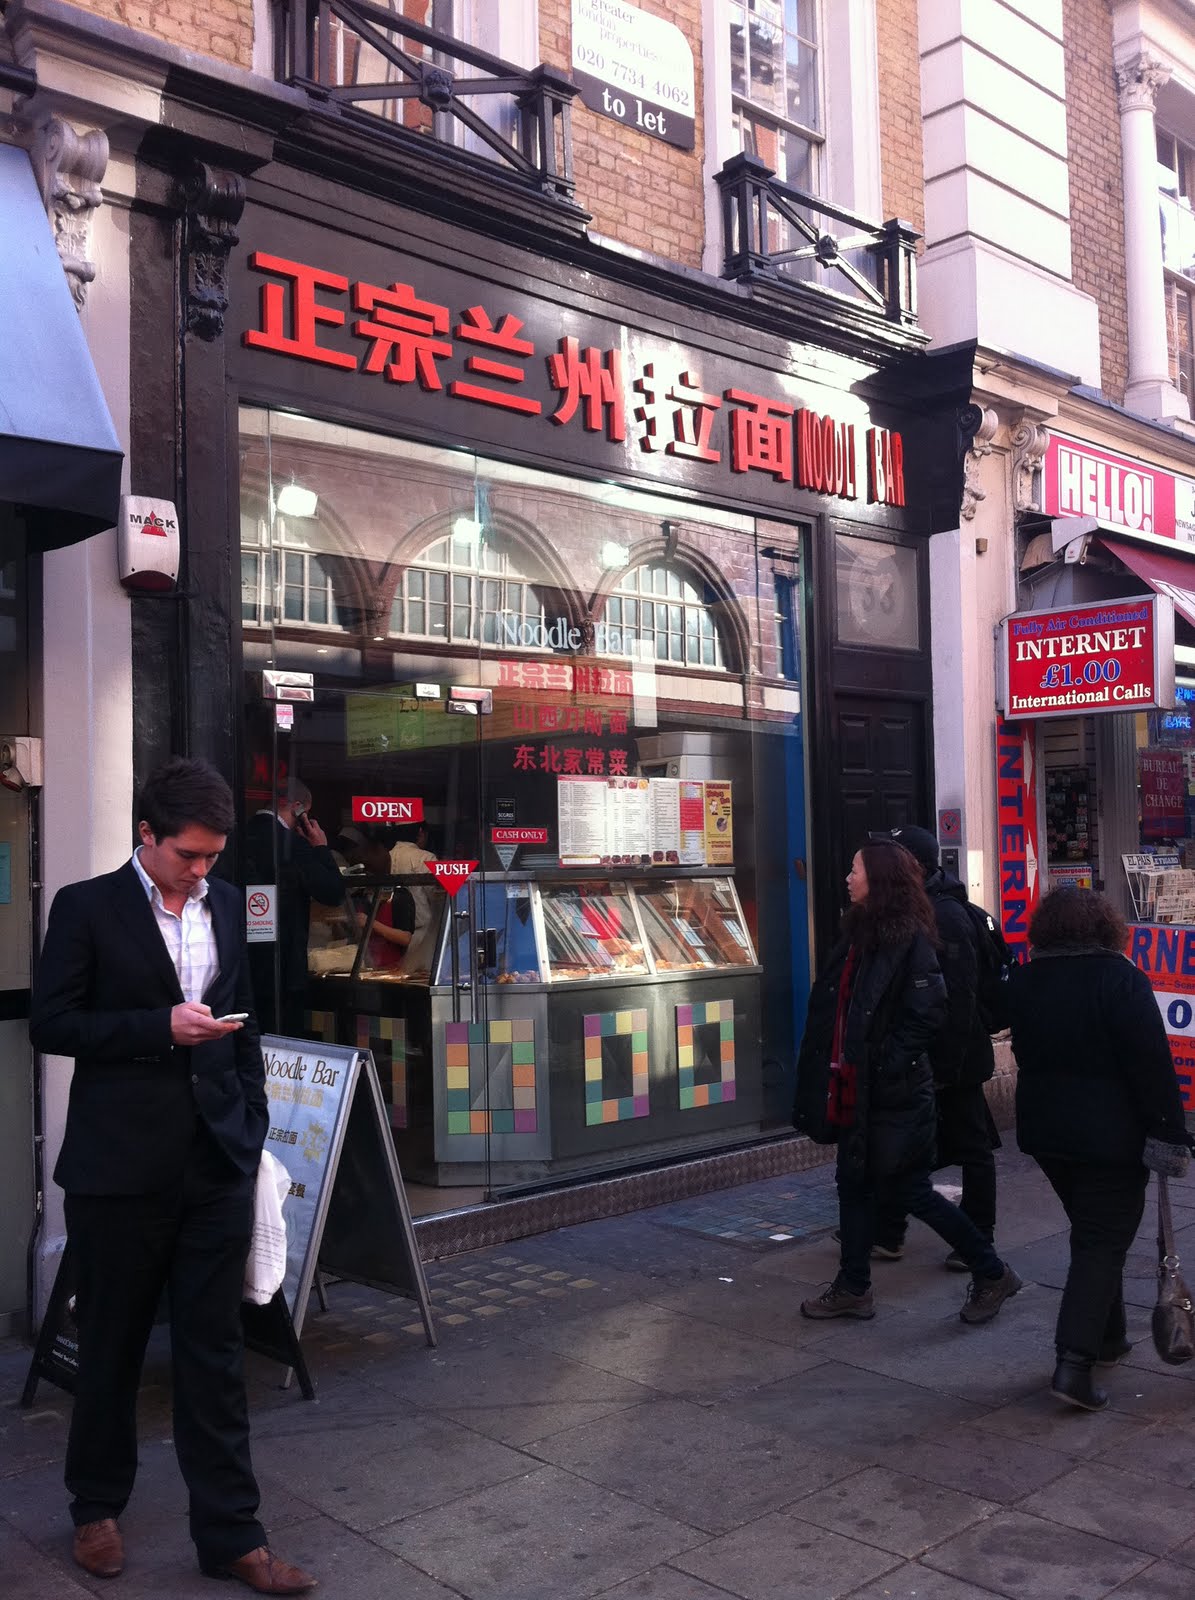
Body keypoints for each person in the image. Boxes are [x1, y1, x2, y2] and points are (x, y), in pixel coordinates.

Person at [29, 758, 316, 1593]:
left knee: (215, 1353)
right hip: (120, 1166)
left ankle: (233, 1534)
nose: (202, 871)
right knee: (112, 1344)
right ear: (145, 835)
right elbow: (53, 1023)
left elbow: (246, 1016)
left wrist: (251, 1116)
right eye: (188, 855)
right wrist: (160, 1026)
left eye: (212, 857)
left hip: (216, 1160)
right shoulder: (85, 907)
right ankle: (95, 1510)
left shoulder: (225, 902)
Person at [795, 839, 1021, 1325]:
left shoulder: (910, 938)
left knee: (908, 1191)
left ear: (878, 879)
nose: (848, 877)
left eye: (855, 869)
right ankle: (853, 1286)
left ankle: (991, 1271)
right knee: (853, 1185)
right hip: (857, 1087)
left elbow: (929, 1010)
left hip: (891, 1093)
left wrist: (886, 1065)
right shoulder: (858, 933)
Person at [1008, 886, 1192, 1411]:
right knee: (1101, 1242)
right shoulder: (1120, 979)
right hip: (1110, 1137)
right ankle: (1074, 1364)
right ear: (1106, 927)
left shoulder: (1026, 979)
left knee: (1094, 1234)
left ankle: (1109, 1337)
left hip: (1048, 1135)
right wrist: (1170, 1134)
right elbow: (1152, 1064)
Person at [872, 825, 1000, 1268]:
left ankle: (978, 1236)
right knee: (909, 1145)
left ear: (916, 866)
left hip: (954, 1057)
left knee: (972, 1147)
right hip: (928, 1056)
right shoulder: (909, 910)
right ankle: (888, 1232)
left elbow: (960, 996)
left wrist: (946, 1066)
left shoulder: (944, 915)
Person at [243, 777, 344, 1033]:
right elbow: (333, 892)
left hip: (245, 964)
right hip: (285, 966)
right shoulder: (292, 845)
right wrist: (320, 847)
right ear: (298, 808)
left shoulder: (239, 835)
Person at [388, 817, 439, 976]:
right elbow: (436, 899)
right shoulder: (426, 858)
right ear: (420, 832)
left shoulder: (387, 856)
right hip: (421, 939)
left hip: (391, 936)